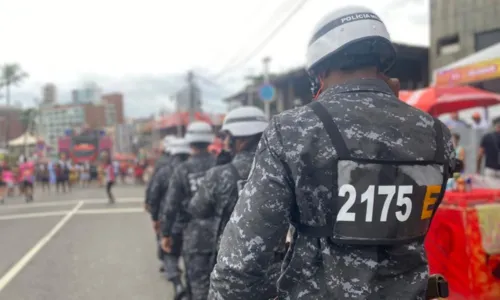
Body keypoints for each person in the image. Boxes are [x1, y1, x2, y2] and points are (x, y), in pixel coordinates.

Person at [209, 5, 456, 300]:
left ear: (320, 71)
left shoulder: (292, 131)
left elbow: (239, 265)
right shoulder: (438, 135)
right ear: (381, 65)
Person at [187, 107, 268, 299]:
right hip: (276, 267)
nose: (224, 142)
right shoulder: (284, 168)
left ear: (238, 138)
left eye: (225, 136)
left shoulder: (220, 173)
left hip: (233, 265)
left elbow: (198, 209)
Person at [160, 121, 216, 300]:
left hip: (194, 238)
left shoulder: (183, 170)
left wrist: (166, 234)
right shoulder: (222, 167)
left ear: (189, 142)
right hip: (222, 235)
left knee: (197, 287)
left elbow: (171, 206)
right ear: (209, 141)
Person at [148, 138, 191, 299]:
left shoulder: (164, 171)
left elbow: (154, 195)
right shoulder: (192, 170)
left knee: (170, 255)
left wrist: (156, 219)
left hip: (171, 221)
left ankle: (178, 285)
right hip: (192, 224)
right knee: (192, 260)